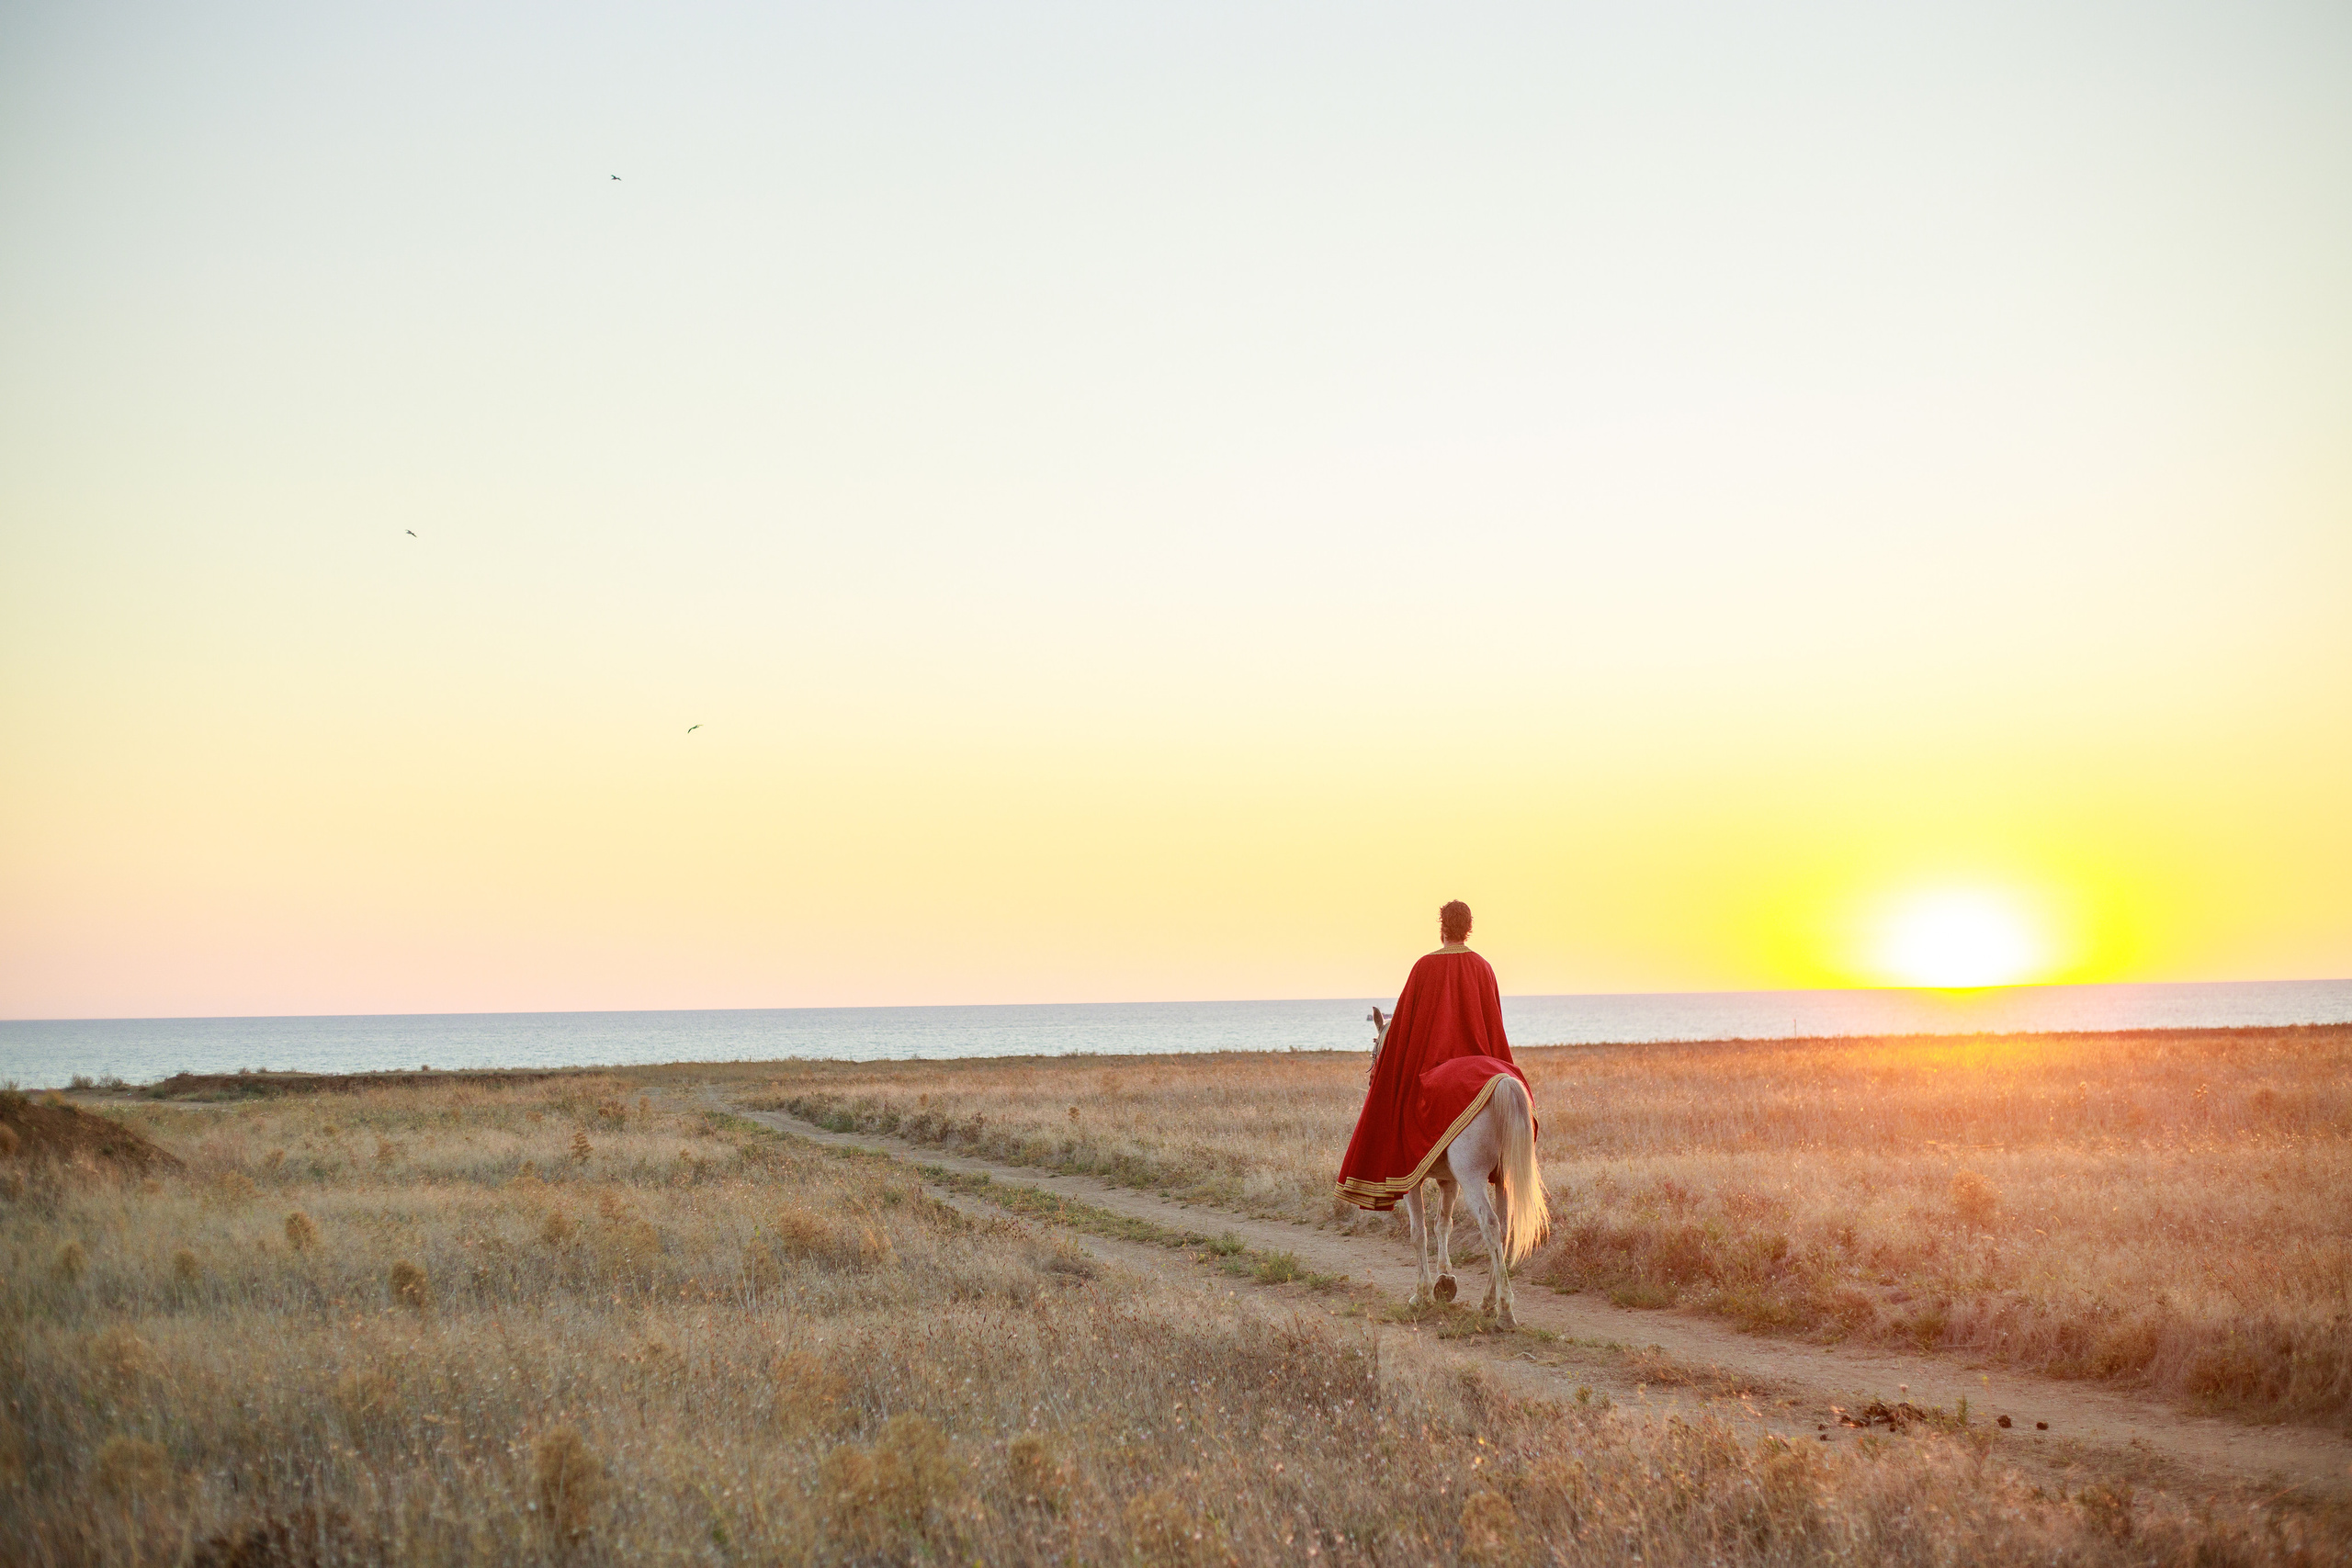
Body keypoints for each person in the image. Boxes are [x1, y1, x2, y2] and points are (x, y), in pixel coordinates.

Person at [1335, 900, 1533, 1210]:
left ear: (1442, 927)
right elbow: (1493, 1025)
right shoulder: (1483, 966)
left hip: (1434, 1066)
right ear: (1469, 929)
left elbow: (1403, 1029)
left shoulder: (1425, 966)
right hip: (1484, 1061)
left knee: (1403, 1113)